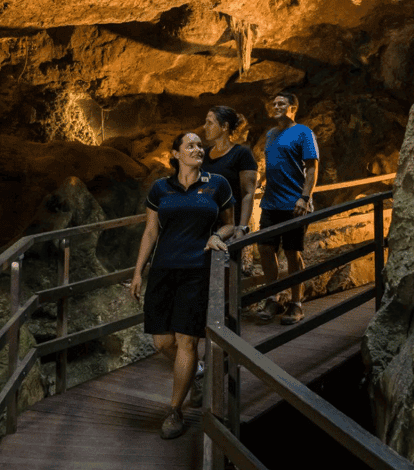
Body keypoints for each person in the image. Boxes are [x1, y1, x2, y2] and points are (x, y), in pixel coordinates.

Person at [129, 132, 234, 439]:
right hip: (163, 271)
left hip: (196, 271)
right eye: (190, 145)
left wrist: (218, 236)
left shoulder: (217, 184)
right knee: (162, 343)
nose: (198, 149)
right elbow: (150, 232)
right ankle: (198, 372)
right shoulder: (160, 188)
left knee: (187, 342)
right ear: (174, 154)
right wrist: (138, 272)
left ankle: (174, 410)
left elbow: (229, 222)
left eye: (200, 145)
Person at [256, 92, 319, 325]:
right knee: (265, 248)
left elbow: (312, 168)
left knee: (293, 253)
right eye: (273, 103)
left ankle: (296, 303)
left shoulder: (303, 132)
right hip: (271, 202)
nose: (276, 107)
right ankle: (273, 297)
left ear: (293, 108)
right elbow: (275, 163)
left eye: (281, 103)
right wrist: (262, 180)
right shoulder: (271, 134)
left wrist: (305, 197)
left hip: (294, 204)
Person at [201, 106, 258, 239]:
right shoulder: (204, 155)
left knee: (227, 260)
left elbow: (248, 194)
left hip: (229, 226)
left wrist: (242, 228)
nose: (205, 127)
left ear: (224, 126)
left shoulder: (241, 154)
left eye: (210, 123)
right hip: (204, 225)